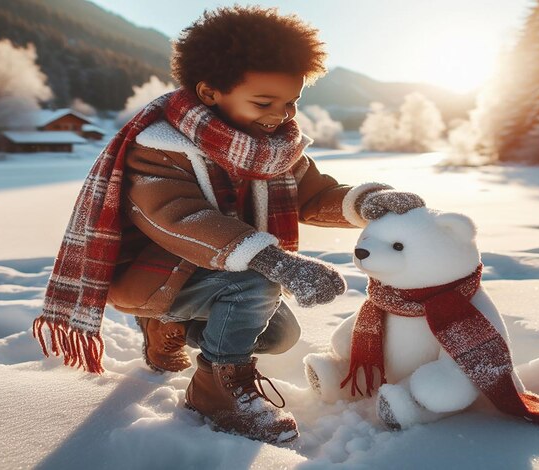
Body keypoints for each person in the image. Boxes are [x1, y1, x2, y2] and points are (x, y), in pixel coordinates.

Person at [33, 5, 424, 444]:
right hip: (160, 276)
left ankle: (173, 329)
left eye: (290, 102)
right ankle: (214, 391)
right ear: (209, 92)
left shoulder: (273, 150)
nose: (280, 115)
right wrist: (276, 262)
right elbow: (180, 218)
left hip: (223, 271)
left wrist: (366, 203)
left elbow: (313, 195)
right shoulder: (159, 147)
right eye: (263, 102)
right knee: (255, 287)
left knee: (279, 334)